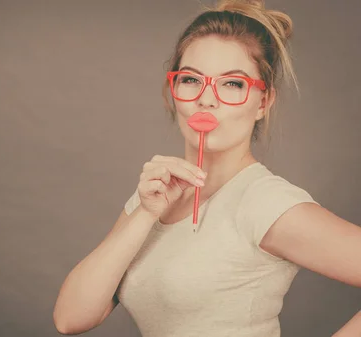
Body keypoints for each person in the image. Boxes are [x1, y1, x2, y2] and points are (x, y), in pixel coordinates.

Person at [53, 0, 361, 336]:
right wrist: (144, 213)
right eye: (190, 80)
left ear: (264, 102)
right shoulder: (154, 195)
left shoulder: (265, 203)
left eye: (232, 84)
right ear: (174, 90)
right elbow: (70, 318)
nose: (206, 98)